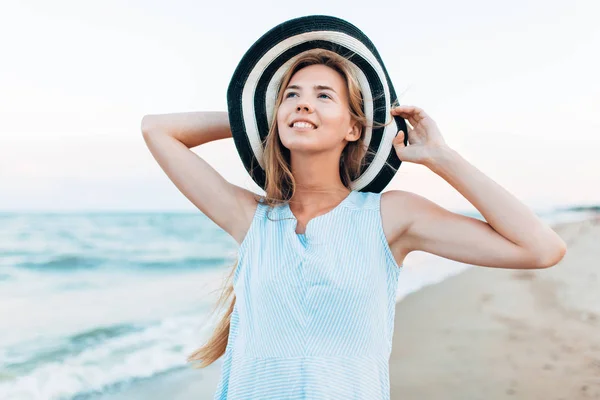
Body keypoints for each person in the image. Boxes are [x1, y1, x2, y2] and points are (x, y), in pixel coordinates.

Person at [141, 15, 566, 400]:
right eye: (291, 95)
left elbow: (542, 249)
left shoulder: (390, 216)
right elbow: (157, 129)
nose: (302, 104)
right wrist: (257, 114)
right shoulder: (253, 219)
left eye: (324, 96)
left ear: (353, 126)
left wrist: (441, 157)